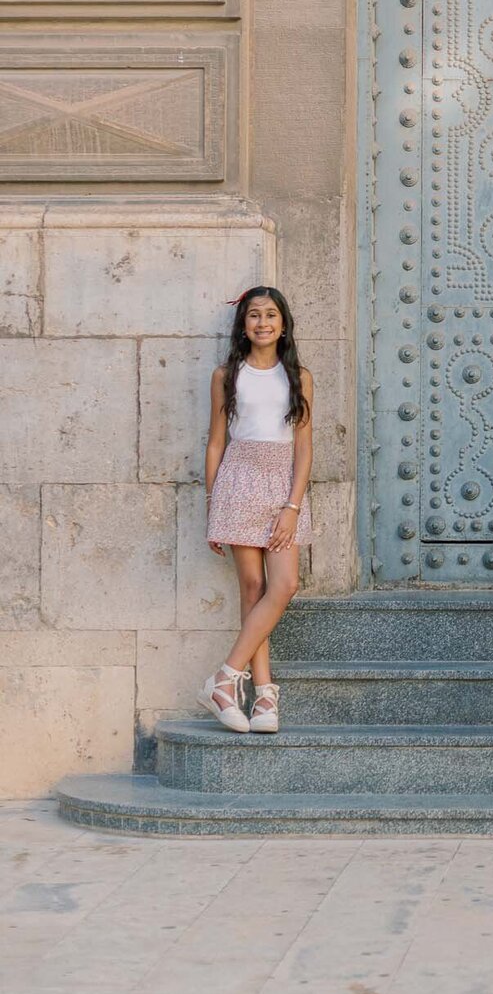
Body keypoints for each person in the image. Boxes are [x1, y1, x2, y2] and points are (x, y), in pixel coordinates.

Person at [198, 286, 313, 733]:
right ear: (242, 325)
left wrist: (292, 505)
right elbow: (214, 443)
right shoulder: (226, 375)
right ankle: (263, 697)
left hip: (282, 483)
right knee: (252, 587)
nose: (262, 323)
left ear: (283, 324)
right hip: (239, 478)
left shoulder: (299, 376)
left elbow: (304, 447)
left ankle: (225, 678)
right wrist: (213, 504)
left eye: (270, 315)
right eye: (253, 316)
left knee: (284, 584)